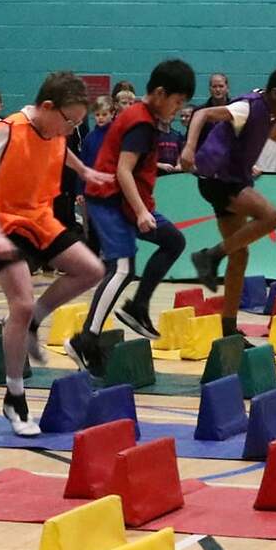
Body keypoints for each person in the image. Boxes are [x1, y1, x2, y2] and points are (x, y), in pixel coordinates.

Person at [0, 71, 111, 433]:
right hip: (2, 221)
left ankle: (35, 320)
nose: (71, 129)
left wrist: (87, 172)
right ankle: (14, 397)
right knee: (19, 303)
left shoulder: (57, 131)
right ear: (48, 107)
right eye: (70, 121)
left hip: (39, 217)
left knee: (91, 269)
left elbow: (64, 155)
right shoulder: (9, 129)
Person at [181, 67, 276, 336]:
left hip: (231, 179)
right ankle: (210, 256)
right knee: (272, 216)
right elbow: (202, 114)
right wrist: (188, 147)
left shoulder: (268, 113)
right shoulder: (247, 107)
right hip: (218, 178)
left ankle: (228, 327)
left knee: (240, 254)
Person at [82, 59, 195, 347]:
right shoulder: (141, 123)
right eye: (177, 101)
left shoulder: (147, 119)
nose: (179, 109)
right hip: (111, 202)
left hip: (130, 202)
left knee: (173, 242)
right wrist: (143, 212)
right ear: (159, 93)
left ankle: (137, 307)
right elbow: (123, 170)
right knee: (122, 269)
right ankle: (86, 341)